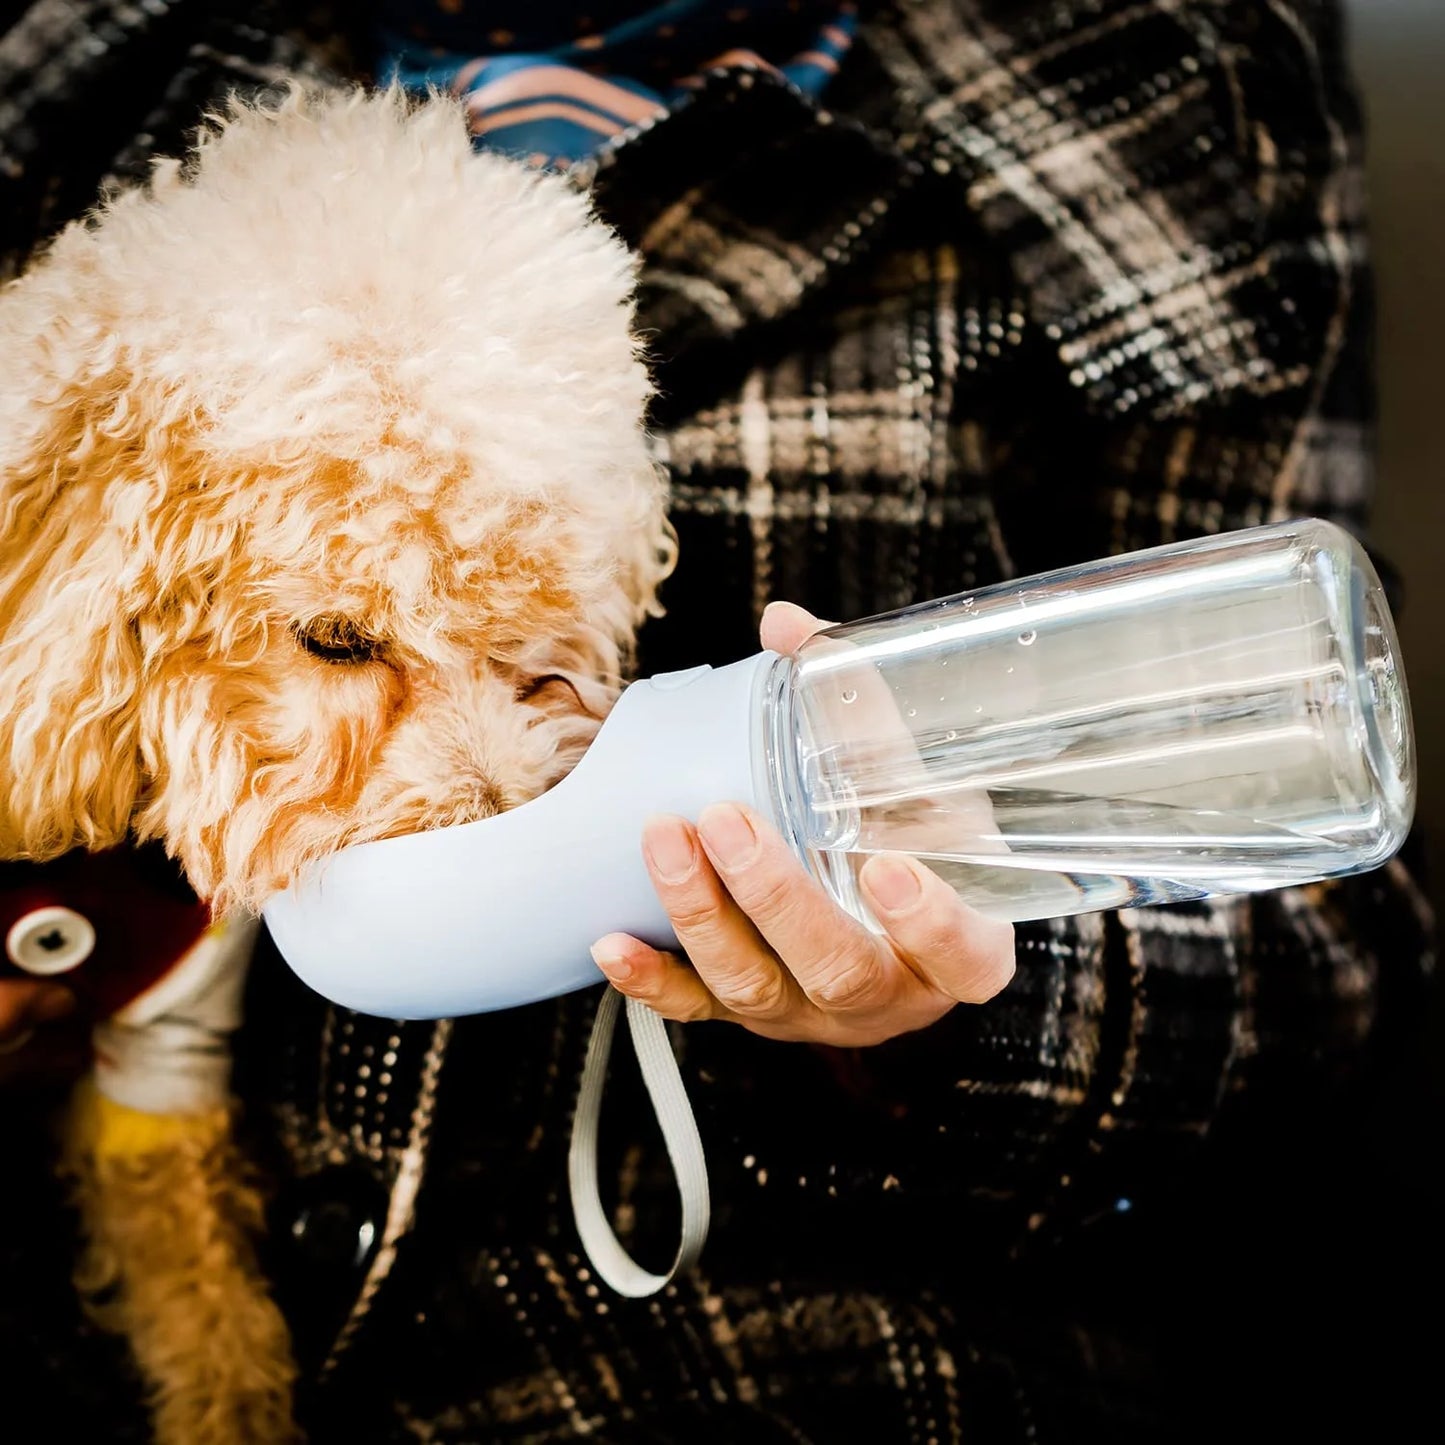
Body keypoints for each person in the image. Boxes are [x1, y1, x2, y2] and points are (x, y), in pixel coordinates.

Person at [0, 1, 1437, 1441]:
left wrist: (949, 1010)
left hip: (769, 1345)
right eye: (340, 641)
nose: (488, 794)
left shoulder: (1183, 68)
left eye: (530, 676)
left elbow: (1312, 941)